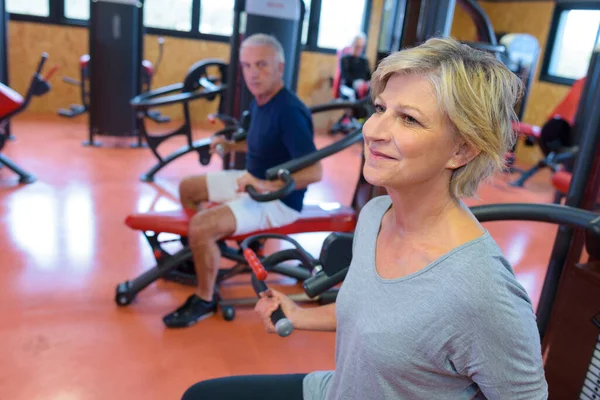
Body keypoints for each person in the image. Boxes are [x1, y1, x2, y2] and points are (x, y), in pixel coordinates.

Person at [179, 36, 549, 399]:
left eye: (408, 119)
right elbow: (372, 311)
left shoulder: (481, 291)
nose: (372, 131)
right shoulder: (376, 214)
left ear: (462, 149)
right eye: (379, 109)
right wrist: (300, 314)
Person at [162, 34, 323, 328]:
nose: (252, 73)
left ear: (280, 67)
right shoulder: (262, 100)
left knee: (201, 225)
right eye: (247, 65)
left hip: (278, 201)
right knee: (188, 188)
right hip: (251, 183)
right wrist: (229, 145)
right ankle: (202, 251)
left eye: (261, 65)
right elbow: (260, 144)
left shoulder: (290, 111)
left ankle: (204, 299)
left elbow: (315, 172)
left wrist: (266, 186)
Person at [339, 33, 371, 101]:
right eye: (357, 46)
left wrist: (368, 83)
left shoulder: (364, 60)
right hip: (348, 87)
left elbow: (369, 76)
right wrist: (357, 83)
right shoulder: (344, 59)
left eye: (361, 47)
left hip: (363, 88)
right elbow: (346, 77)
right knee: (353, 97)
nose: (359, 49)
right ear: (352, 45)